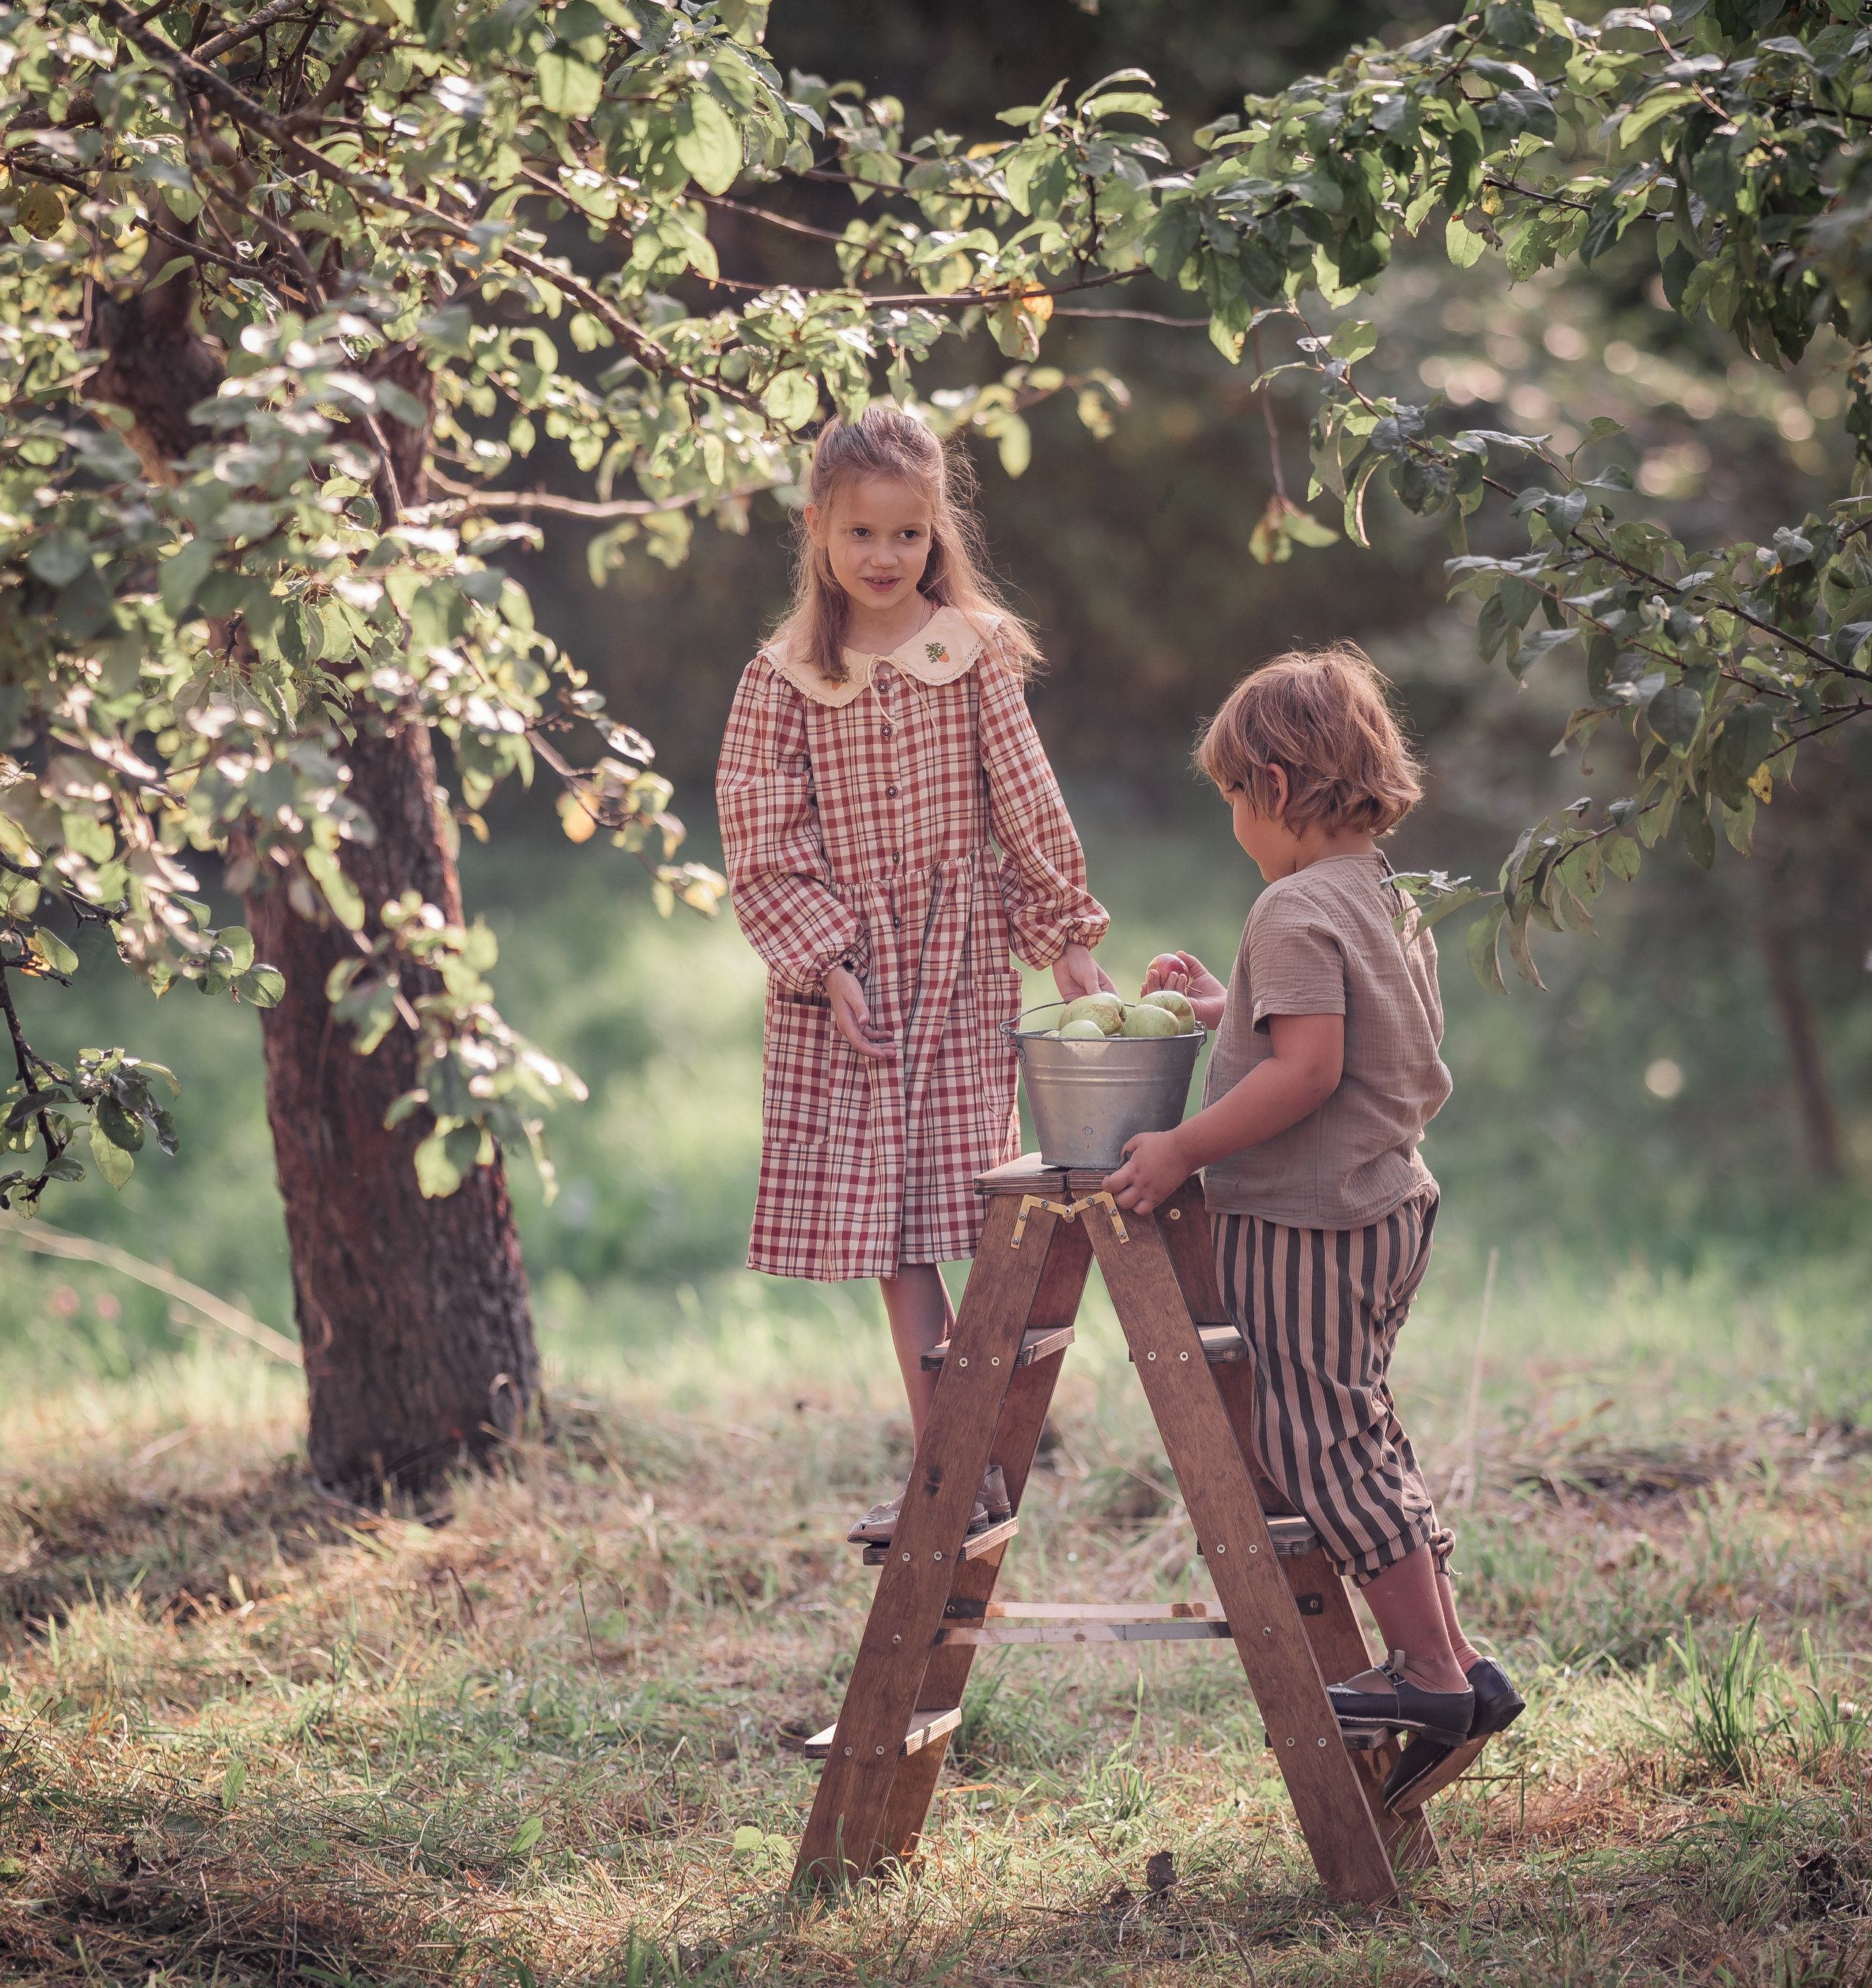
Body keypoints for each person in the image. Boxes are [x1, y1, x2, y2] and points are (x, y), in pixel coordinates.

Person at [1101, 644, 1523, 1813]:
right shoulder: (1389, 891)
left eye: (1236, 798)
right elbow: (1353, 1031)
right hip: (1387, 1203)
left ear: (1277, 786)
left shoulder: (1290, 905)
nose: (1237, 823)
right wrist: (1223, 1010)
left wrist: (1184, 1146)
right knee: (1362, 1427)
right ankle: (1458, 1659)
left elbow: (1311, 1069)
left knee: (1321, 1442)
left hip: (1309, 1222)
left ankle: (1431, 1673)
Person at [717, 404, 1112, 1547]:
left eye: (906, 533)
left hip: (959, 966)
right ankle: (951, 1469)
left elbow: (1026, 802)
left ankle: (974, 1453)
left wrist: (1068, 936)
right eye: (861, 535)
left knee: (974, 1207)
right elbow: (762, 836)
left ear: (936, 531)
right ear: (819, 533)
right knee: (895, 1238)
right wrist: (827, 963)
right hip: (860, 991)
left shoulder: (970, 649)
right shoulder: (785, 677)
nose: (884, 557)